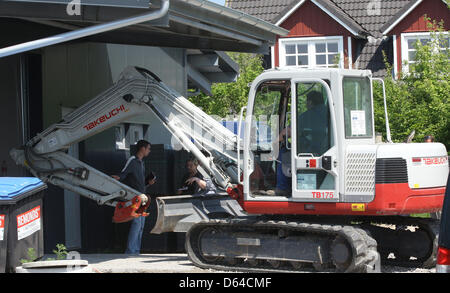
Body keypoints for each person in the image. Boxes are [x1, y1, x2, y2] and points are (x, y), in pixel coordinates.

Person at [113, 139, 152, 254]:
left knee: (140, 226)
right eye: (148, 148)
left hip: (143, 198)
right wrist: (118, 178)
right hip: (135, 198)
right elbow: (123, 173)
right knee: (136, 224)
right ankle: (130, 251)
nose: (149, 151)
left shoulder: (141, 163)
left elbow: (139, 182)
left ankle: (136, 251)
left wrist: (148, 183)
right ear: (142, 148)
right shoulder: (133, 160)